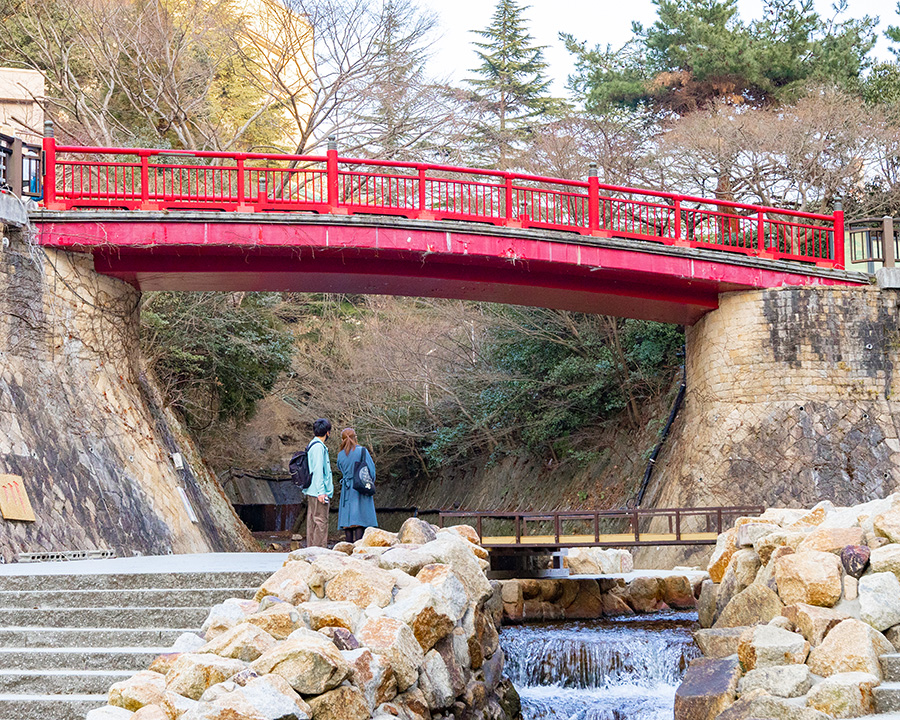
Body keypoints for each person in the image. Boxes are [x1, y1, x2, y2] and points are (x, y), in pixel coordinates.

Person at [336, 427, 378, 543]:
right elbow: (371, 471)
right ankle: (358, 548)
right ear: (355, 437)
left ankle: (348, 548)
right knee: (360, 519)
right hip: (359, 487)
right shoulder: (362, 451)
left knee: (348, 522)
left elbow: (340, 468)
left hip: (347, 488)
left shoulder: (340, 455)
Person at [304, 418, 333, 547]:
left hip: (312, 489)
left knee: (313, 521)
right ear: (327, 432)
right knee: (320, 521)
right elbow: (318, 471)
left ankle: (311, 550)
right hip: (318, 491)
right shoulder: (318, 448)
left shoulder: (312, 445)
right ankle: (319, 552)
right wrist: (322, 492)